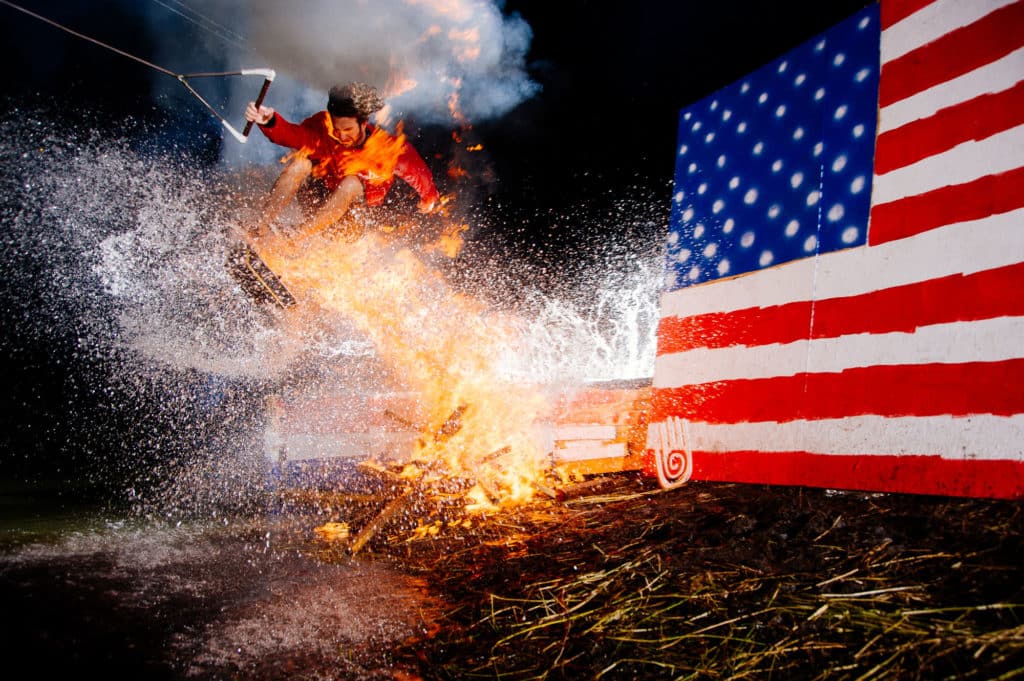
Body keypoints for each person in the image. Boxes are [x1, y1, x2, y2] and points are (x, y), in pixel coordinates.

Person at [243, 81, 440, 243]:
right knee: (301, 162)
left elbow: (418, 173)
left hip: (349, 222)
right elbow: (294, 136)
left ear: (363, 123)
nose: (341, 136)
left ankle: (296, 237)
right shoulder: (325, 128)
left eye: (348, 130)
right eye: (337, 130)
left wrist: (429, 198)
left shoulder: (387, 147)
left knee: (352, 182)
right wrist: (269, 121)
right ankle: (258, 228)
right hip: (318, 199)